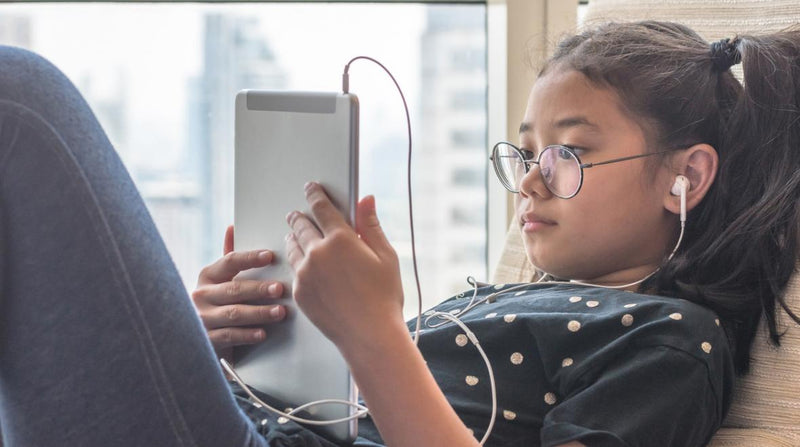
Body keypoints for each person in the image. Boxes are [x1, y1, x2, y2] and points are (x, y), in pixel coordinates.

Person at [0, 19, 798, 447]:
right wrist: (237, 348)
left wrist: (374, 334)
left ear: (684, 177)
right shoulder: (509, 298)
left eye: (568, 152)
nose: (530, 176)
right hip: (250, 423)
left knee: (21, 102)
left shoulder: (671, 343)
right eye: (524, 150)